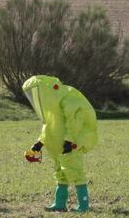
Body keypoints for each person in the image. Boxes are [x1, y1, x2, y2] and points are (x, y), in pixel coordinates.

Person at [22, 75, 98, 212]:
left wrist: (69, 140)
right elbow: (49, 127)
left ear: (43, 91)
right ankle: (60, 204)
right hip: (57, 147)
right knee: (60, 174)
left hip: (70, 146)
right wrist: (40, 143)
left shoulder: (66, 98)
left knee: (76, 173)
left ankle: (84, 205)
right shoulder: (51, 111)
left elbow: (74, 122)